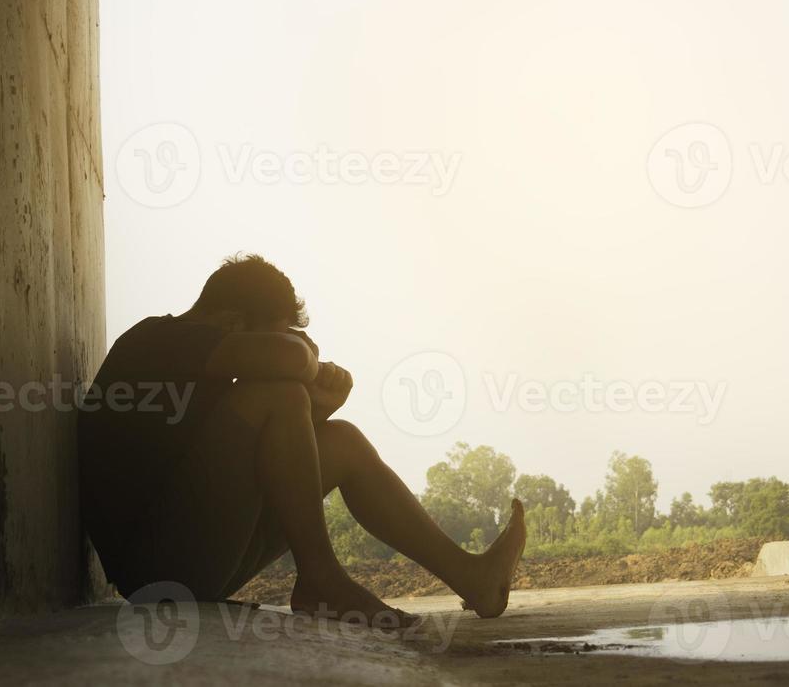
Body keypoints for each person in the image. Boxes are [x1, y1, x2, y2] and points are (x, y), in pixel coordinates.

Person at [79, 254, 525, 628]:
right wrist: (304, 353)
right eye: (274, 333)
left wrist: (316, 406)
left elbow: (268, 455)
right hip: (157, 570)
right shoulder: (159, 340)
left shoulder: (208, 365)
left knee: (342, 441)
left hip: (194, 558)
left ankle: (472, 578)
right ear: (231, 322)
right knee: (279, 391)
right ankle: (320, 577)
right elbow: (289, 361)